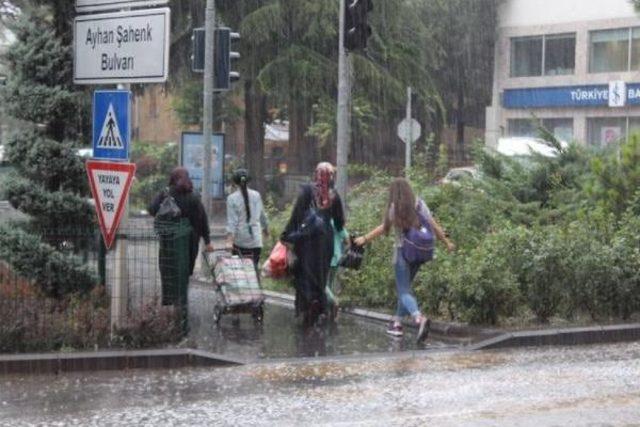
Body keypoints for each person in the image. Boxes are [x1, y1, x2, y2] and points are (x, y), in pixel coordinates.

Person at [354, 178, 455, 342]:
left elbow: (384, 228)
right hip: (420, 254)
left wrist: (365, 238)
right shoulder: (420, 203)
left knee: (404, 291)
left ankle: (419, 318)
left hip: (403, 252)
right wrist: (447, 242)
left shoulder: (395, 208)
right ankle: (397, 323)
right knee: (406, 290)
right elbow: (433, 225)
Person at [148, 167, 213, 332]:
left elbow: (151, 209)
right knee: (183, 276)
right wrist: (207, 241)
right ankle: (181, 314)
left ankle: (174, 308)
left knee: (170, 273)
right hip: (189, 243)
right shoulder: (193, 197)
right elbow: (202, 219)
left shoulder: (166, 194)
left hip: (168, 242)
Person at [281, 162, 345, 327]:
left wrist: (286, 236)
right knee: (321, 278)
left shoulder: (306, 192)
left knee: (304, 276)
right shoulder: (334, 195)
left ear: (315, 174)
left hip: (307, 243)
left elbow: (296, 217)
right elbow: (339, 224)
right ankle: (318, 307)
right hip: (325, 244)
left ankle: (307, 309)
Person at [226, 168, 269, 268]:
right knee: (253, 271)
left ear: (234, 182)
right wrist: (266, 230)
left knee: (241, 274)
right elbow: (262, 215)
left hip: (240, 242)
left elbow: (232, 222)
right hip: (256, 241)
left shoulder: (232, 198)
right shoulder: (256, 195)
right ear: (248, 181)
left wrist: (229, 241)